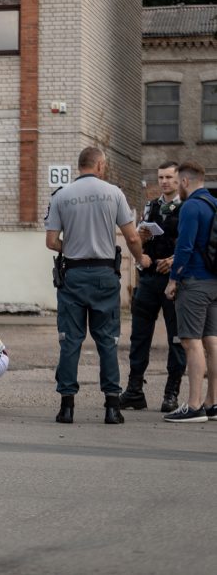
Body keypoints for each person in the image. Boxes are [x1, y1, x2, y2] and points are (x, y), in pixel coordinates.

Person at [45, 146, 150, 425]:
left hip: (73, 276)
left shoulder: (61, 196)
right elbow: (131, 237)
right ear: (100, 165)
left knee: (70, 341)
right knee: (107, 341)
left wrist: (73, 246)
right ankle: (112, 407)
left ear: (79, 166)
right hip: (104, 275)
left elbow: (51, 242)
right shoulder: (114, 193)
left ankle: (66, 407)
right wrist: (141, 260)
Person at [120, 161, 187, 413]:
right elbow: (138, 240)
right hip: (148, 278)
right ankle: (135, 390)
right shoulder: (151, 206)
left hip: (174, 280)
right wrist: (141, 240)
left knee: (177, 338)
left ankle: (171, 393)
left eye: (169, 177)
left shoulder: (187, 208)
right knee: (139, 336)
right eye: (161, 177)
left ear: (179, 180)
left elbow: (194, 243)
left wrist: (175, 261)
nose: (164, 181)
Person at [163, 161, 217, 423]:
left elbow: (184, 246)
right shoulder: (213, 203)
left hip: (194, 281)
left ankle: (194, 405)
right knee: (212, 342)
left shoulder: (191, 207)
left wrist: (173, 280)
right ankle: (213, 402)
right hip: (214, 281)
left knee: (190, 342)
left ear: (184, 182)